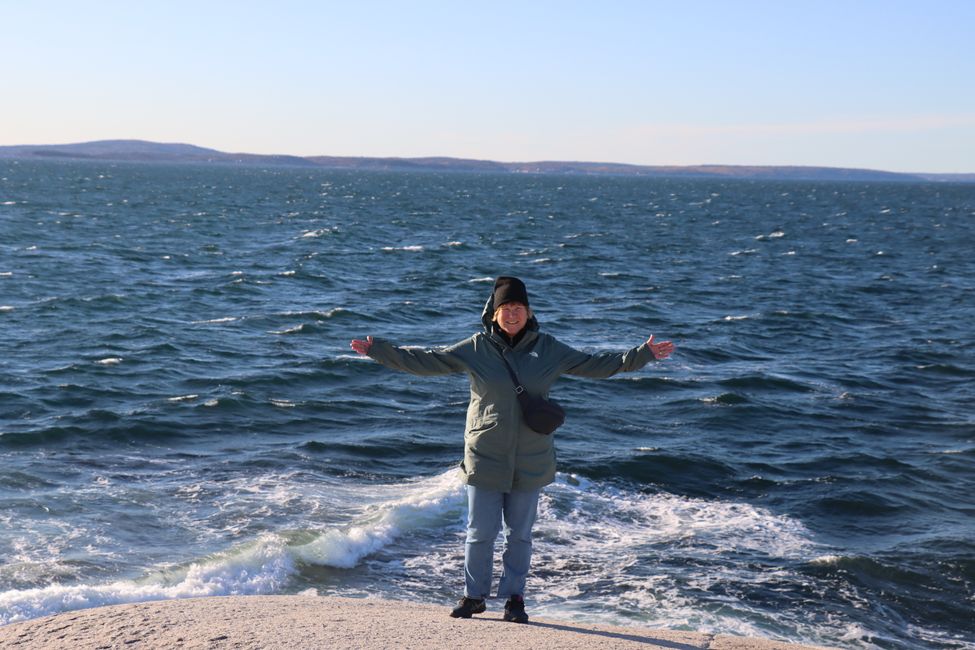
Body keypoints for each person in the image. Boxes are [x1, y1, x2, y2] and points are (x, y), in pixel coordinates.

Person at [350, 276, 674, 623]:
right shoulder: (476, 348)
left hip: (531, 457)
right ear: (494, 313)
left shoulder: (548, 348)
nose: (512, 314)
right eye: (506, 308)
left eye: (518, 307)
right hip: (485, 453)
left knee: (519, 535)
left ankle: (515, 598)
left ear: (529, 311)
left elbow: (596, 365)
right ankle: (473, 596)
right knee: (480, 533)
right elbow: (430, 361)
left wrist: (641, 355)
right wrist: (380, 351)